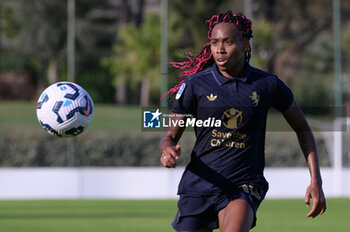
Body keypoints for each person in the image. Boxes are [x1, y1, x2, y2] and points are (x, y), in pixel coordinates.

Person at [159, 11, 326, 232]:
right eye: (214, 43)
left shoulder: (268, 84)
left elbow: (303, 130)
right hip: (199, 185)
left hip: (243, 185)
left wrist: (316, 181)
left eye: (228, 42)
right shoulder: (195, 85)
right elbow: (169, 135)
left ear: (245, 45)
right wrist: (167, 149)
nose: (219, 49)